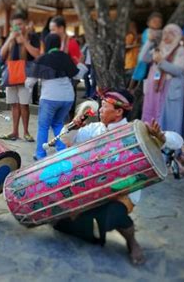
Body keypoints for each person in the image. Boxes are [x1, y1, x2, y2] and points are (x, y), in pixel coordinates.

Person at [54, 89, 164, 265]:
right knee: (62, 221)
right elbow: (67, 140)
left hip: (122, 191)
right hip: (91, 187)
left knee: (112, 212)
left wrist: (159, 141)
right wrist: (74, 125)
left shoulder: (134, 132)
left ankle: (131, 241)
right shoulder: (94, 128)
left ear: (119, 112)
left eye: (104, 106)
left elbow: (170, 142)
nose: (100, 110)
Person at [25, 33, 78, 160]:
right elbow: (76, 75)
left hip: (50, 97)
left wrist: (27, 87)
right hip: (68, 97)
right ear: (59, 44)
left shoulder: (43, 59)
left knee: (43, 126)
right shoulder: (66, 57)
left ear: (46, 44)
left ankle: (40, 154)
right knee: (57, 123)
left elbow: (30, 82)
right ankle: (62, 151)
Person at [0, 12, 40, 142]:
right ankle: (15, 132)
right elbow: (1, 54)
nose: (18, 27)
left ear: (25, 24)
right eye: (15, 25)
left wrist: (24, 42)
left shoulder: (32, 36)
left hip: (25, 75)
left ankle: (26, 132)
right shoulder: (10, 37)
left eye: (20, 24)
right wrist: (10, 38)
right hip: (11, 74)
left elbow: (37, 54)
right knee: (14, 105)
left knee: (24, 105)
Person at [142, 24, 184, 134]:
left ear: (177, 36)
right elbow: (144, 58)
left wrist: (161, 62)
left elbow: (178, 71)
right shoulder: (159, 47)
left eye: (171, 33)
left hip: (168, 88)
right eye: (165, 32)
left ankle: (166, 146)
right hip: (154, 89)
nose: (167, 36)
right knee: (150, 114)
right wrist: (149, 42)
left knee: (167, 120)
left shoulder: (180, 50)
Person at [128, 12, 163, 91]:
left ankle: (137, 88)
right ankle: (132, 88)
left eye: (159, 22)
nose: (157, 24)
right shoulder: (148, 31)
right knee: (139, 72)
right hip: (145, 55)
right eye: (154, 21)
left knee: (149, 72)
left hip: (152, 56)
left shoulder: (158, 32)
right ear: (148, 23)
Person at [124, 22, 140, 87]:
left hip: (134, 62)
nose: (134, 28)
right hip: (129, 62)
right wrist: (136, 45)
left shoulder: (136, 37)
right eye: (133, 27)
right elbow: (125, 47)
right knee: (128, 81)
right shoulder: (130, 36)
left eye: (135, 27)